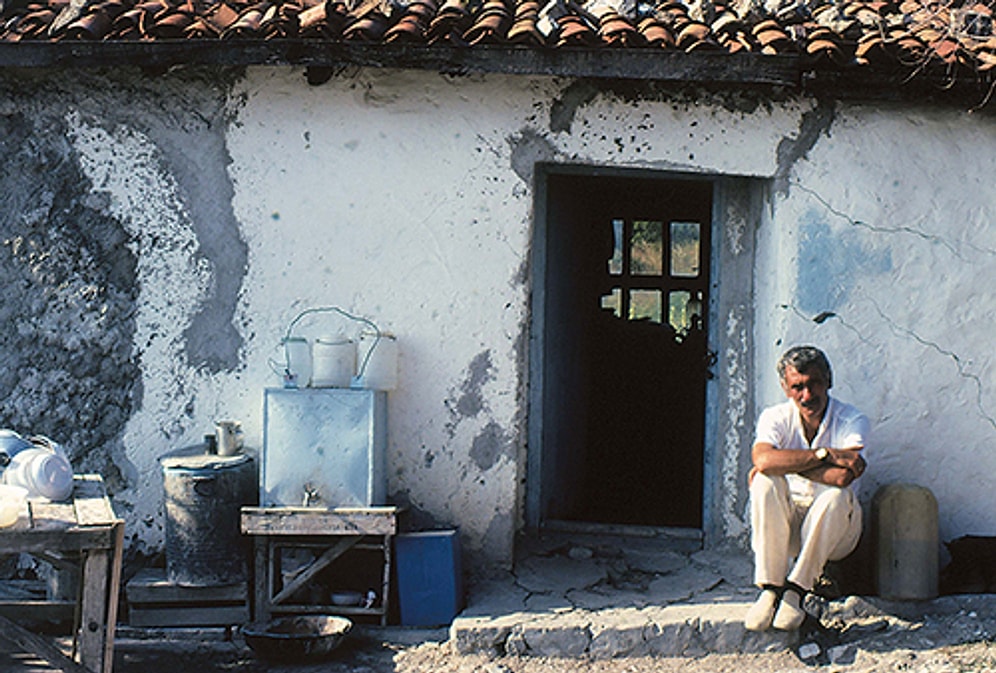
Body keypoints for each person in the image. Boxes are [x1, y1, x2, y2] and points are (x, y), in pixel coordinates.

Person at [744, 345, 869, 632]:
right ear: (786, 388)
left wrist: (781, 462)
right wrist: (825, 454)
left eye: (814, 384)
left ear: (828, 380)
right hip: (787, 527)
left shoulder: (852, 420)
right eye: (797, 387)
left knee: (836, 495)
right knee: (765, 481)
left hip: (837, 533)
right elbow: (762, 460)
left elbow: (841, 478)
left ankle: (796, 590)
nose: (807, 395)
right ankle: (771, 587)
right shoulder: (775, 417)